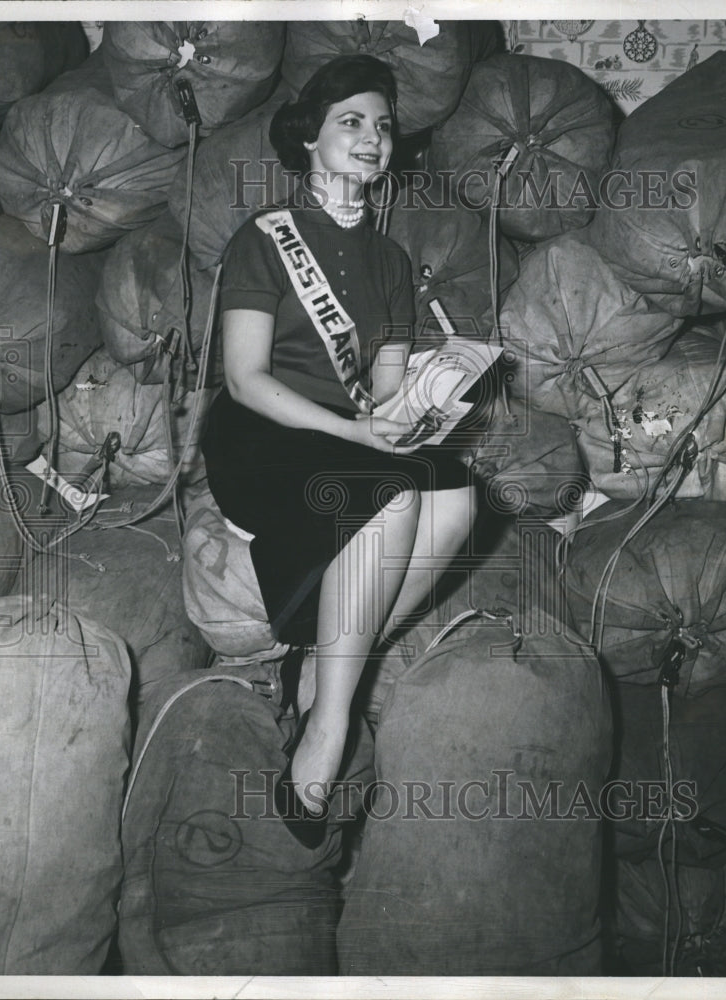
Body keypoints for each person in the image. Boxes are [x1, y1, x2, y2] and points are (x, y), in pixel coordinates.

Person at [201, 54, 477, 847]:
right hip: (260, 434)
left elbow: (384, 392)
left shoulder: (391, 262)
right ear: (310, 141)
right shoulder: (263, 236)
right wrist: (362, 436)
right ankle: (329, 726)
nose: (371, 138)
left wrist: (425, 399)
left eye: (382, 126)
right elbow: (246, 379)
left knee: (453, 492)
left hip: (347, 432)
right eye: (350, 122)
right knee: (387, 493)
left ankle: (332, 656)